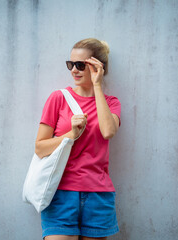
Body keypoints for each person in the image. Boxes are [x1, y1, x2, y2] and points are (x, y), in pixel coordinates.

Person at [35, 38, 121, 240]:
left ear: (98, 67)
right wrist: (70, 135)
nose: (74, 70)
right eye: (70, 64)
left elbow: (108, 131)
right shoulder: (58, 98)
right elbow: (40, 148)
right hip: (60, 193)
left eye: (81, 65)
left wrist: (97, 86)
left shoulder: (112, 103)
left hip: (98, 195)